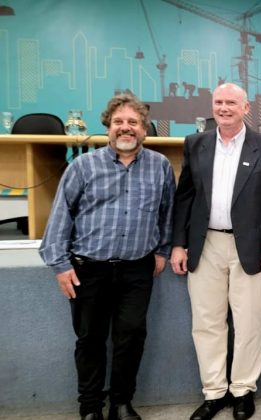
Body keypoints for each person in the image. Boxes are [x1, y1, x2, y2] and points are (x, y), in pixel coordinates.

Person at [39, 94, 175, 420]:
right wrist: (59, 265)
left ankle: (121, 403)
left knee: (131, 338)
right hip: (88, 269)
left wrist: (162, 251)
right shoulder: (83, 166)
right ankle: (90, 409)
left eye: (133, 123)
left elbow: (167, 214)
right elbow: (61, 217)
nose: (125, 128)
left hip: (137, 270)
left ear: (144, 130)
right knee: (91, 340)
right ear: (108, 127)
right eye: (118, 122)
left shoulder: (160, 167)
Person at [170, 83, 261, 420]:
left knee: (248, 322)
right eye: (218, 102)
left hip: (248, 246)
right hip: (204, 245)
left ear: (245, 108)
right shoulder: (196, 144)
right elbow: (185, 197)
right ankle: (214, 392)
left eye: (231, 102)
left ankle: (243, 390)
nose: (223, 108)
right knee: (206, 322)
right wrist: (178, 243)